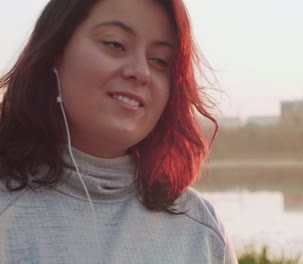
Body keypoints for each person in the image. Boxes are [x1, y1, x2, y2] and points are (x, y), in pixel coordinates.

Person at [0, 0, 237, 263]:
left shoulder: (201, 230)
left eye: (160, 61)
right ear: (55, 51)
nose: (141, 72)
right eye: (115, 44)